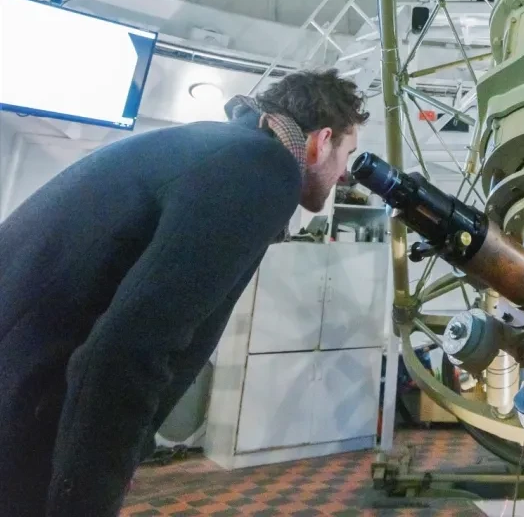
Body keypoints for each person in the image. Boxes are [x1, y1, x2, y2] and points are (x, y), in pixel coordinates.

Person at [0, 68, 366, 517]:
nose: (346, 173)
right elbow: (127, 348)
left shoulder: (217, 145)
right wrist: (92, 491)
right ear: (321, 141)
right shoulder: (262, 167)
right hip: (20, 413)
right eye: (348, 153)